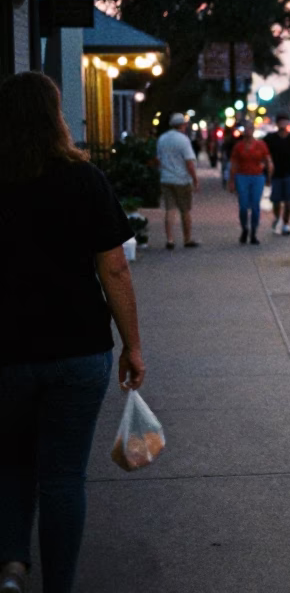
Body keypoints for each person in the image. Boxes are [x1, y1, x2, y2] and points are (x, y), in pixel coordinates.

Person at [0, 72, 147, 593]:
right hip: (78, 349)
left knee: (12, 463)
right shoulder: (83, 180)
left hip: (8, 352)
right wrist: (132, 345)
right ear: (55, 116)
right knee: (62, 476)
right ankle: (57, 585)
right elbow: (115, 269)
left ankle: (13, 566)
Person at [156, 112, 199, 249]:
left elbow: (158, 159)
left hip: (166, 178)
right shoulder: (183, 140)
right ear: (183, 125)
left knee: (169, 210)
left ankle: (170, 239)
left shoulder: (162, 138)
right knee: (185, 210)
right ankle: (187, 238)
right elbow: (189, 163)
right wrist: (195, 179)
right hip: (182, 180)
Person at [228, 123, 272, 245]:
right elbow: (234, 164)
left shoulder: (260, 145)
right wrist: (231, 181)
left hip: (257, 177)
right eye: (246, 129)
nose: (248, 131)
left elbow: (268, 161)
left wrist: (269, 176)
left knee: (255, 205)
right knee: (243, 205)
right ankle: (244, 228)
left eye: (250, 129)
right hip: (242, 176)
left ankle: (253, 231)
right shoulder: (239, 146)